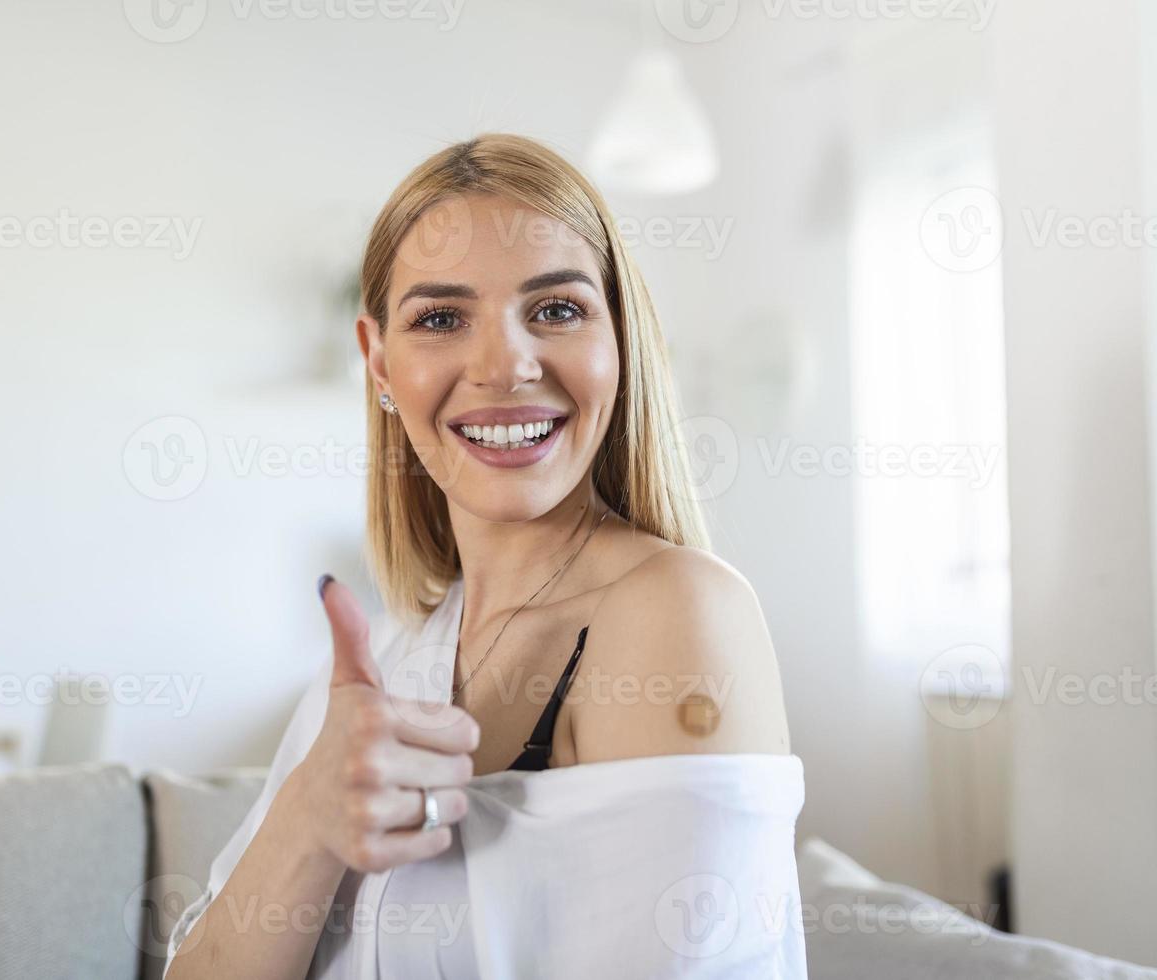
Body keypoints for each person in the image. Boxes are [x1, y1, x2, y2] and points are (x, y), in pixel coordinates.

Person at [164, 133, 805, 979]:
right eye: (439, 318)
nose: (505, 365)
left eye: (556, 309)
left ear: (620, 339)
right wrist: (302, 823)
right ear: (378, 362)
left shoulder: (674, 611)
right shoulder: (385, 656)